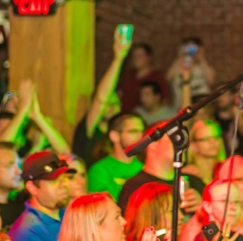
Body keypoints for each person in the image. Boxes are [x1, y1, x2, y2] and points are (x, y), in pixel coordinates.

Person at [72, 30, 132, 167]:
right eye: (108, 104)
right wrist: (118, 58)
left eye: (115, 103)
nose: (111, 107)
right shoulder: (90, 131)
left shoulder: (125, 135)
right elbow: (101, 100)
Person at [117, 123, 203, 215]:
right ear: (153, 145)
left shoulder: (193, 182)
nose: (182, 144)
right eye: (176, 139)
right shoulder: (135, 187)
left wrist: (203, 207)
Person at [86, 113, 145, 201]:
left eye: (142, 131)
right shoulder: (100, 170)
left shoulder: (144, 167)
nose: (140, 136)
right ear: (115, 136)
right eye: (133, 131)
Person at [118, 43, 171, 113]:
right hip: (124, 116)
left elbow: (165, 101)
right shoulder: (128, 75)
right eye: (134, 56)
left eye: (139, 56)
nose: (136, 59)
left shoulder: (157, 78)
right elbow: (119, 94)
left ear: (148, 58)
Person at [166, 37, 216, 108]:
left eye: (193, 47)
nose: (190, 50)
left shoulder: (204, 67)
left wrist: (201, 57)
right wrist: (179, 57)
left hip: (201, 110)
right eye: (187, 47)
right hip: (180, 108)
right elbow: (168, 78)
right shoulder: (177, 67)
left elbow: (212, 81)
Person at [183, 120, 226, 187]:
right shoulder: (188, 174)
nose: (212, 142)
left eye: (216, 137)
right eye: (206, 139)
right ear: (194, 145)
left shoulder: (228, 171)